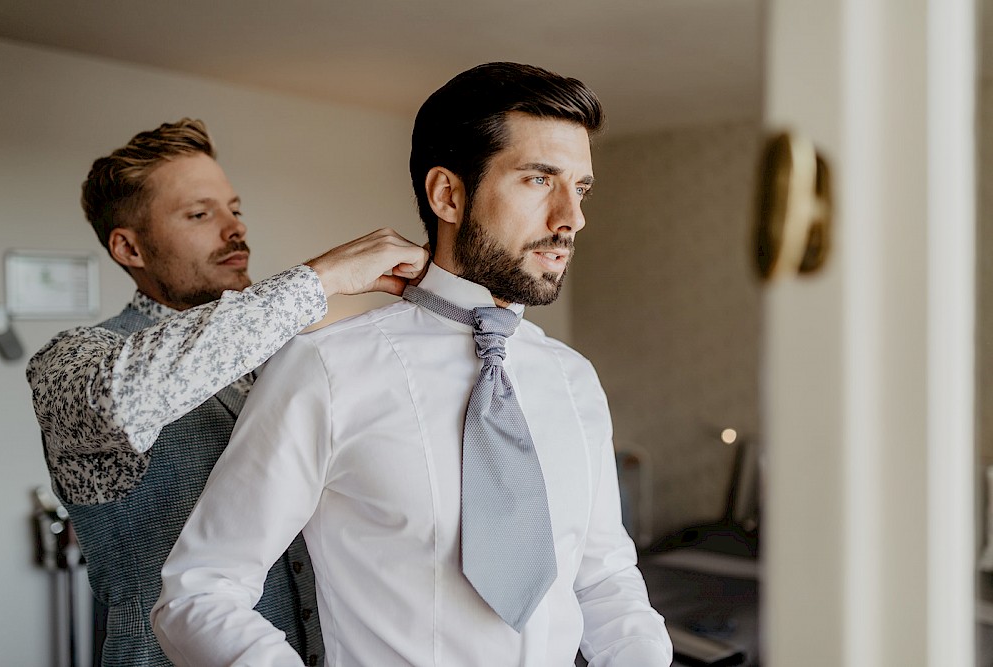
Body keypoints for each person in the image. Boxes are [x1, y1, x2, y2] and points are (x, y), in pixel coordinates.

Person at [152, 63, 673, 666]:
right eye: (538, 180)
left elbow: (605, 580)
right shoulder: (324, 369)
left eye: (580, 188)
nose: (571, 218)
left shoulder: (573, 378)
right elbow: (200, 592)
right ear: (448, 195)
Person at [26, 118, 428, 667]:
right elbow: (124, 401)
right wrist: (323, 277)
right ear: (129, 247)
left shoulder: (289, 359)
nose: (234, 229)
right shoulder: (72, 366)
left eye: (234, 209)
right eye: (199, 214)